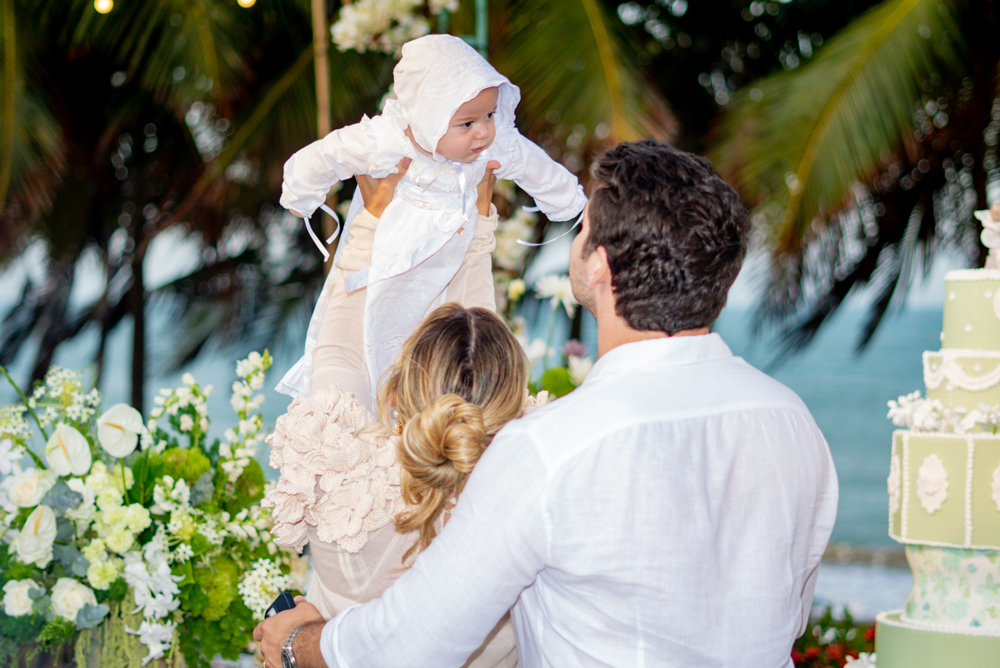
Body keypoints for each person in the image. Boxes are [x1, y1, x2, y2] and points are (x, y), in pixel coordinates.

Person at [256, 140, 839, 667]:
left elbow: (412, 643)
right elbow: (787, 613)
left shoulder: (548, 451)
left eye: (583, 227)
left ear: (600, 267)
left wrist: (300, 642)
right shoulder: (791, 423)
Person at [261, 168, 539, 666]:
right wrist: (474, 229)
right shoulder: (530, 497)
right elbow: (478, 363)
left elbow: (340, 350)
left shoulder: (343, 481)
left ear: (393, 393)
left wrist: (370, 217)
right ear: (513, 402)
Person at [277, 33, 586, 413]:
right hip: (380, 264)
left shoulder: (490, 148)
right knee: (360, 355)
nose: (484, 131)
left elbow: (535, 164)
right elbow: (331, 152)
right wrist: (301, 191)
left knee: (435, 363)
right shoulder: (388, 140)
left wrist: (565, 198)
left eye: (490, 115)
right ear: (428, 118)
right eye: (467, 123)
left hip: (447, 272)